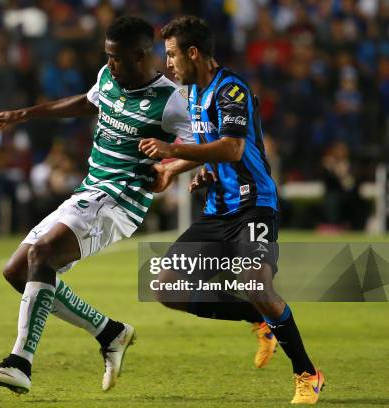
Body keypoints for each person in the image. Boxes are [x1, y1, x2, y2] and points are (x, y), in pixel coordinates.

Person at [0, 16, 195, 394]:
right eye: (107, 57)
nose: (110, 65)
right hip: (89, 191)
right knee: (16, 272)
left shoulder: (172, 101)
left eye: (117, 58)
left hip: (121, 201)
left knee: (42, 254)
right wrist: (27, 113)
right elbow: (88, 102)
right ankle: (110, 332)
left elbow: (202, 146)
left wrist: (171, 167)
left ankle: (19, 364)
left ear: (141, 56)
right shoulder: (110, 77)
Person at [138, 16, 324, 404]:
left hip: (254, 204)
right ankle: (258, 320)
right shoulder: (190, 94)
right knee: (165, 287)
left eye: (172, 55)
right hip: (218, 209)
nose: (167, 63)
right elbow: (208, 146)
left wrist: (172, 150)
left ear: (193, 53)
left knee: (257, 283)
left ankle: (308, 373)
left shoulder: (231, 90)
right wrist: (174, 172)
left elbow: (232, 148)